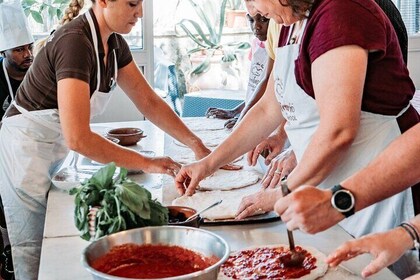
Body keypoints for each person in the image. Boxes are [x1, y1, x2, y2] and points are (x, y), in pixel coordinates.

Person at [175, 0, 419, 277]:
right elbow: (269, 108)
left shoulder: (341, 13)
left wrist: (284, 192)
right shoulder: (288, 22)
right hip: (328, 180)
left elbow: (338, 131)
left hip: (380, 185)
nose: (253, 9)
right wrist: (208, 164)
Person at [0, 0, 211, 279]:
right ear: (102, 1)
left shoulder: (114, 44)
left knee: (56, 245)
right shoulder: (75, 42)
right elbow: (79, 138)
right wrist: (148, 163)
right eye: (132, 3)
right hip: (25, 153)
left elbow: (149, 102)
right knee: (36, 254)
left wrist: (198, 147)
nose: (140, 13)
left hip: (52, 149)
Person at [205, 12, 270, 128]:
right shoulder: (256, 44)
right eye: (251, 21)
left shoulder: (277, 49)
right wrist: (235, 111)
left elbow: (269, 95)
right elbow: (254, 90)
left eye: (264, 20)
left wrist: (244, 118)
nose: (256, 26)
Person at [0, 1, 34, 119]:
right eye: (19, 50)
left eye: (30, 47)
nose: (28, 54)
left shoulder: (41, 71)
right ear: (3, 52)